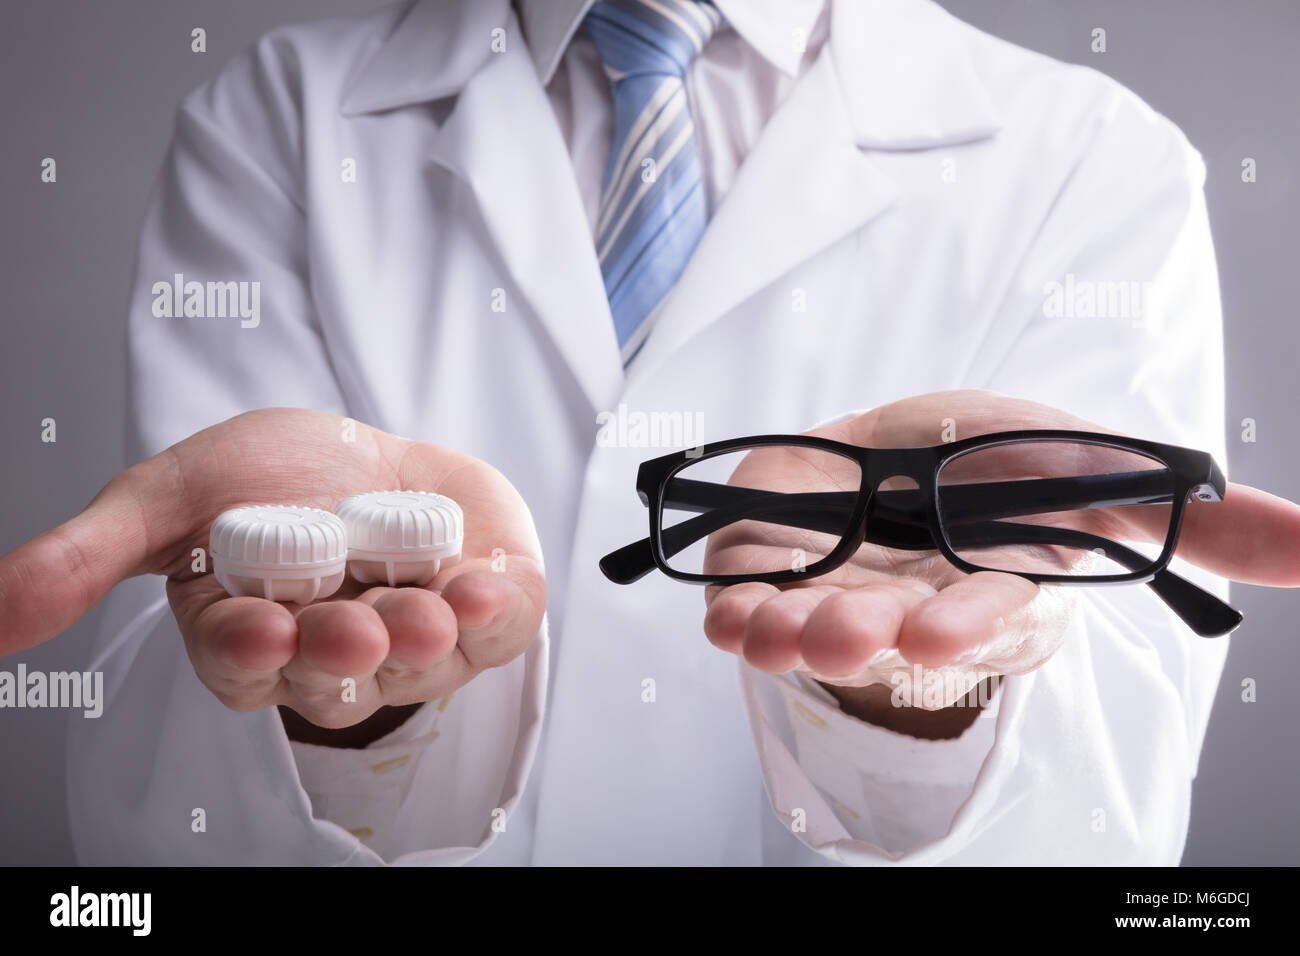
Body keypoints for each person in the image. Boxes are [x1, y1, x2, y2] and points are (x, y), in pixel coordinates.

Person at [2, 0, 1298, 865]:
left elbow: (1108, 835)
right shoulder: (278, 122)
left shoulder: (1096, 166)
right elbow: (147, 845)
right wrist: (349, 725)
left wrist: (917, 714)